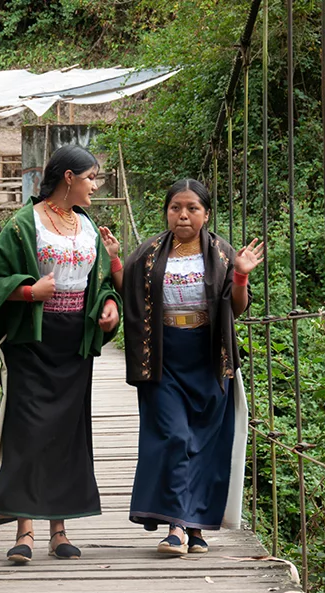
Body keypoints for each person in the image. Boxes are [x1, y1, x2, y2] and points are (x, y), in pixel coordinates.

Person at [100, 178, 263, 555]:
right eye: (176, 208)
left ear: (206, 214)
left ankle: (196, 528)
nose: (183, 215)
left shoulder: (223, 254)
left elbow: (236, 307)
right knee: (175, 437)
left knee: (204, 443)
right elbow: (132, 296)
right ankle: (175, 525)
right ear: (167, 212)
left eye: (192, 208)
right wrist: (114, 261)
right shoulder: (149, 252)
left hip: (207, 355)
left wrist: (241, 274)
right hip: (163, 355)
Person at [0, 145, 121, 563]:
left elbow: (100, 286)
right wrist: (27, 291)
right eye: (91, 177)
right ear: (69, 178)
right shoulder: (24, 224)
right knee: (28, 432)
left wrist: (109, 307)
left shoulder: (90, 227)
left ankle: (60, 530)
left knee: (66, 434)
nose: (96, 185)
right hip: (32, 340)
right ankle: (25, 532)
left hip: (74, 343)